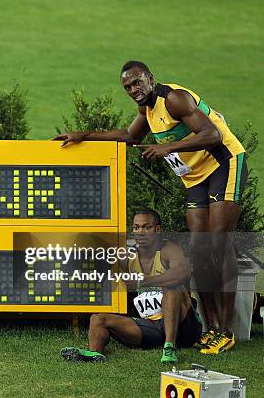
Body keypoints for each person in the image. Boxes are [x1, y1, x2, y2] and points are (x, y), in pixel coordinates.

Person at [53, 61, 246, 354]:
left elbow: (212, 135)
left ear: (150, 78)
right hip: (195, 177)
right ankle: (213, 329)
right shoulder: (147, 110)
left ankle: (226, 330)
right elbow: (130, 137)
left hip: (223, 163)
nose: (133, 90)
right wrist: (84, 135)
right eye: (127, 87)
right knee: (200, 249)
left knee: (218, 243)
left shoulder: (174, 98)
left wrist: (168, 147)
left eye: (137, 82)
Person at [61, 209, 201, 364]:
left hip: (184, 327)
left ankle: (170, 347)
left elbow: (182, 274)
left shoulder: (169, 249)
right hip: (152, 326)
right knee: (98, 318)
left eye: (146, 227)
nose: (140, 232)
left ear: (157, 229)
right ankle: (94, 353)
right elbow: (101, 252)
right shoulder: (128, 256)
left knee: (171, 286)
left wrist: (142, 281)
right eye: (136, 227)